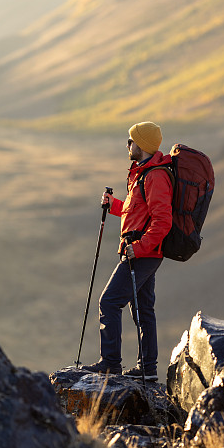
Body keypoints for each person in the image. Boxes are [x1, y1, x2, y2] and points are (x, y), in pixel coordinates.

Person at [83, 121, 173, 381]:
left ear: (141, 145)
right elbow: (138, 212)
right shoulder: (144, 173)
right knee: (143, 310)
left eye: (131, 141)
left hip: (142, 253)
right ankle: (148, 370)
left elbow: (162, 221)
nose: (128, 145)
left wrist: (140, 247)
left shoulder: (154, 176)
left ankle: (110, 363)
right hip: (143, 252)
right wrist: (114, 205)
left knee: (109, 301)